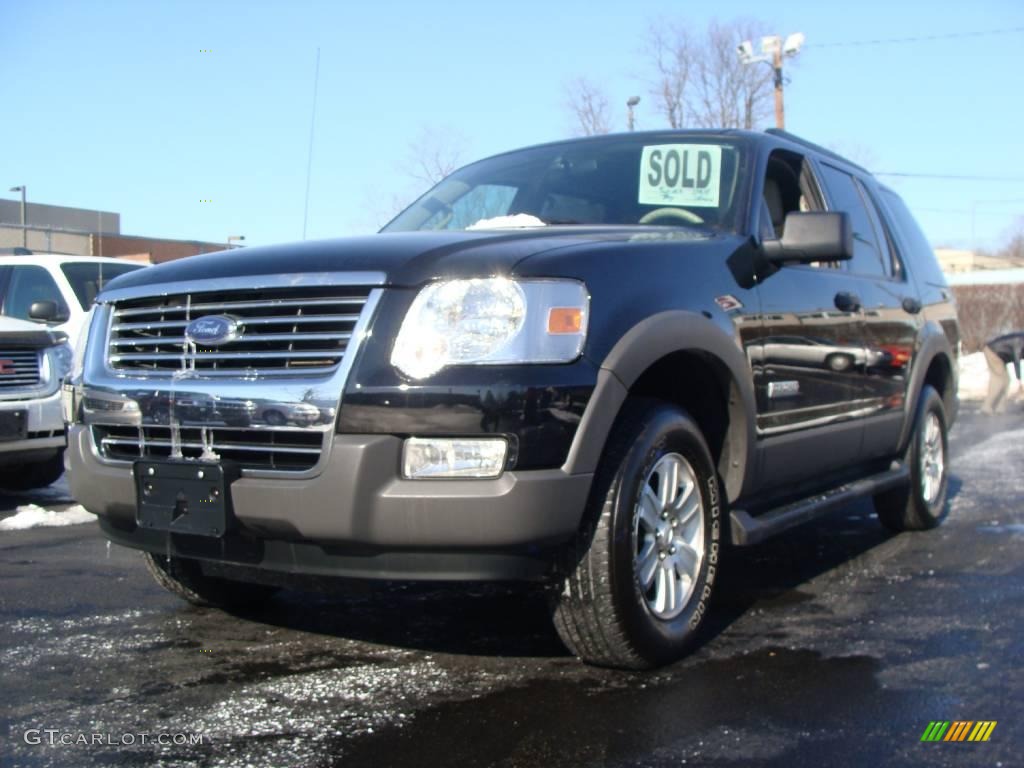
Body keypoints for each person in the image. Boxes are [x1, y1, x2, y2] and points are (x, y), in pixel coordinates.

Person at [981, 331, 1024, 415]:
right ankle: (986, 407)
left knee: (1006, 380)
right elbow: (1017, 359)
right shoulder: (1020, 341)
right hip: (993, 351)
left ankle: (1000, 408)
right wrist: (1019, 379)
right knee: (999, 379)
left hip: (998, 353)